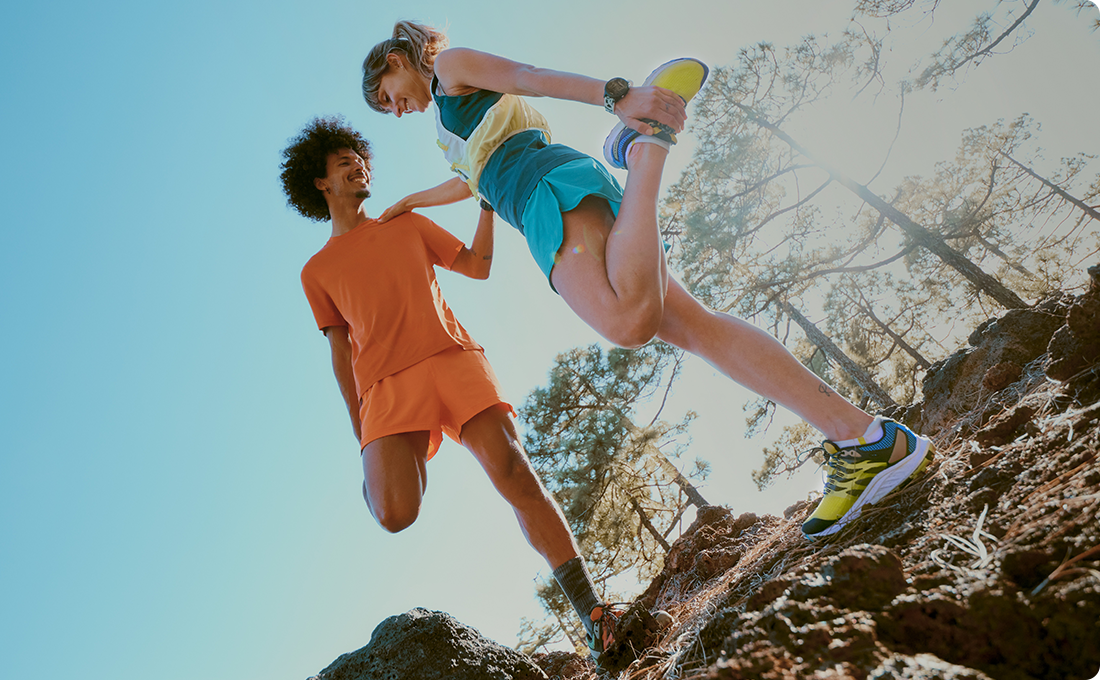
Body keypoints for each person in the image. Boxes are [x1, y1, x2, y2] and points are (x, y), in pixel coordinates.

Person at [360, 22, 934, 542]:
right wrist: (410, 202)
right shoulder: (446, 123)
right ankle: (870, 440)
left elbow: (526, 77)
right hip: (547, 195)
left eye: (388, 96)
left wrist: (618, 98)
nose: (397, 108)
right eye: (387, 111)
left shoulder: (452, 67)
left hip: (548, 192)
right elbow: (471, 181)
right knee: (697, 329)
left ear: (395, 60)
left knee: (627, 321)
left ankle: (647, 144)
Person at [279, 116, 622, 663]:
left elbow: (478, 266)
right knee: (394, 514)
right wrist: (360, 429)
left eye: (360, 159)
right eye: (344, 162)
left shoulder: (406, 224)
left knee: (515, 475)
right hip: (386, 391)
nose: (358, 166)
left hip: (451, 359)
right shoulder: (316, 271)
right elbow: (340, 355)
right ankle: (377, 470)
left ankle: (595, 615)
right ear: (320, 182)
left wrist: (485, 203)